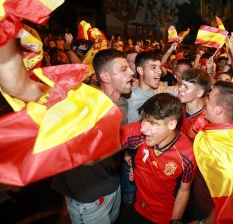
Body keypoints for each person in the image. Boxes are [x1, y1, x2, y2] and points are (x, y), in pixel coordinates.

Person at [51, 49, 134, 224]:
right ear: (105, 76)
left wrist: (125, 154)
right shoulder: (86, 106)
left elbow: (114, 139)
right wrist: (131, 138)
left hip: (112, 184)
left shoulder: (122, 102)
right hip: (89, 196)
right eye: (124, 69)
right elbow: (86, 157)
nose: (131, 72)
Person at [120, 93, 197, 223]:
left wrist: (175, 220)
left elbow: (184, 191)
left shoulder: (187, 155)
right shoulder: (137, 134)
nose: (143, 128)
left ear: (172, 124)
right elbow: (106, 144)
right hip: (137, 207)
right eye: (144, 119)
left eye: (152, 123)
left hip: (164, 217)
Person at [190, 80, 233, 223]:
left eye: (208, 98)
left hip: (205, 211)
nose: (205, 101)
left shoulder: (227, 156)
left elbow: (224, 203)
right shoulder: (230, 131)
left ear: (219, 110)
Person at [177, 68, 212, 140]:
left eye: (186, 87)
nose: (180, 89)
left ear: (199, 93)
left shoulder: (206, 121)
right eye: (181, 84)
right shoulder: (176, 107)